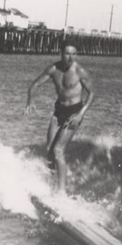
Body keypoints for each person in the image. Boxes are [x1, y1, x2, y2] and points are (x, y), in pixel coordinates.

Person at [26, 40, 94, 194]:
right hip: (59, 111)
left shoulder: (80, 72)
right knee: (49, 149)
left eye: (73, 54)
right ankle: (51, 182)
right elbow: (35, 85)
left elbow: (92, 94)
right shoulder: (53, 69)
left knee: (58, 150)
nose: (70, 57)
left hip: (74, 112)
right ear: (61, 53)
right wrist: (30, 100)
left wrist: (80, 114)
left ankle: (61, 191)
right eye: (67, 53)